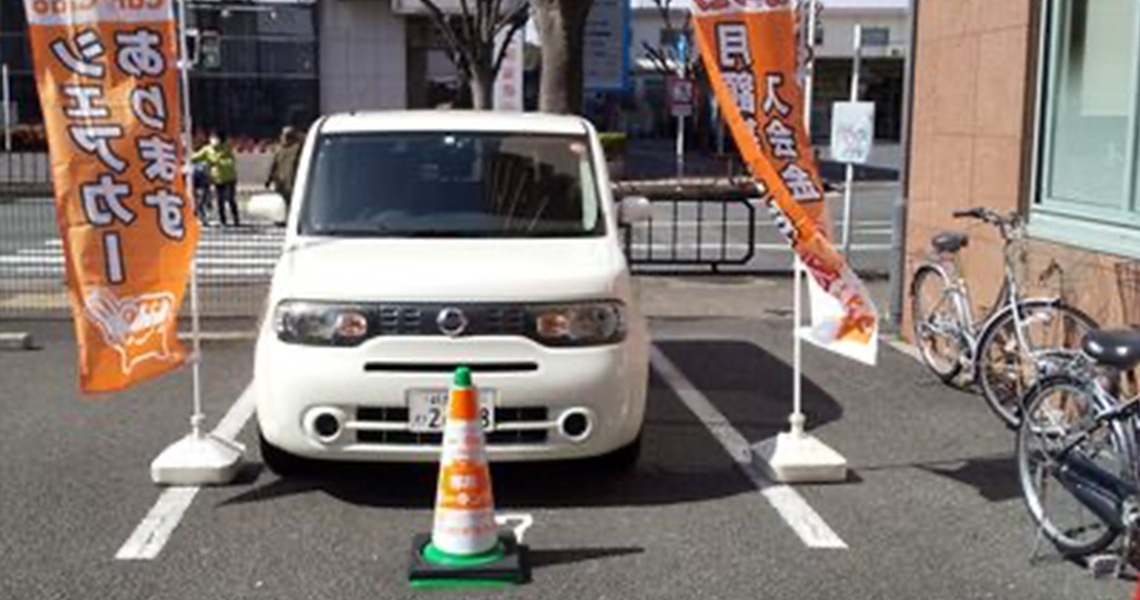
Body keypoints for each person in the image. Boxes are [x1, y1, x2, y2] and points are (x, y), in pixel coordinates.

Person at [193, 132, 240, 227]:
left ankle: (236, 219)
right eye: (212, 138)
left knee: (231, 199)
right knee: (220, 200)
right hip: (218, 178)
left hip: (229, 177)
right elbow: (196, 157)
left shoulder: (226, 148)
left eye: (215, 138)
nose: (213, 140)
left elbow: (231, 161)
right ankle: (223, 220)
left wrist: (218, 161)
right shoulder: (207, 150)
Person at [266, 126, 303, 209]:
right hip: (280, 182)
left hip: (292, 182)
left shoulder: (298, 149)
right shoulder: (279, 149)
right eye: (283, 135)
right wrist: (269, 179)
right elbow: (274, 165)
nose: (284, 138)